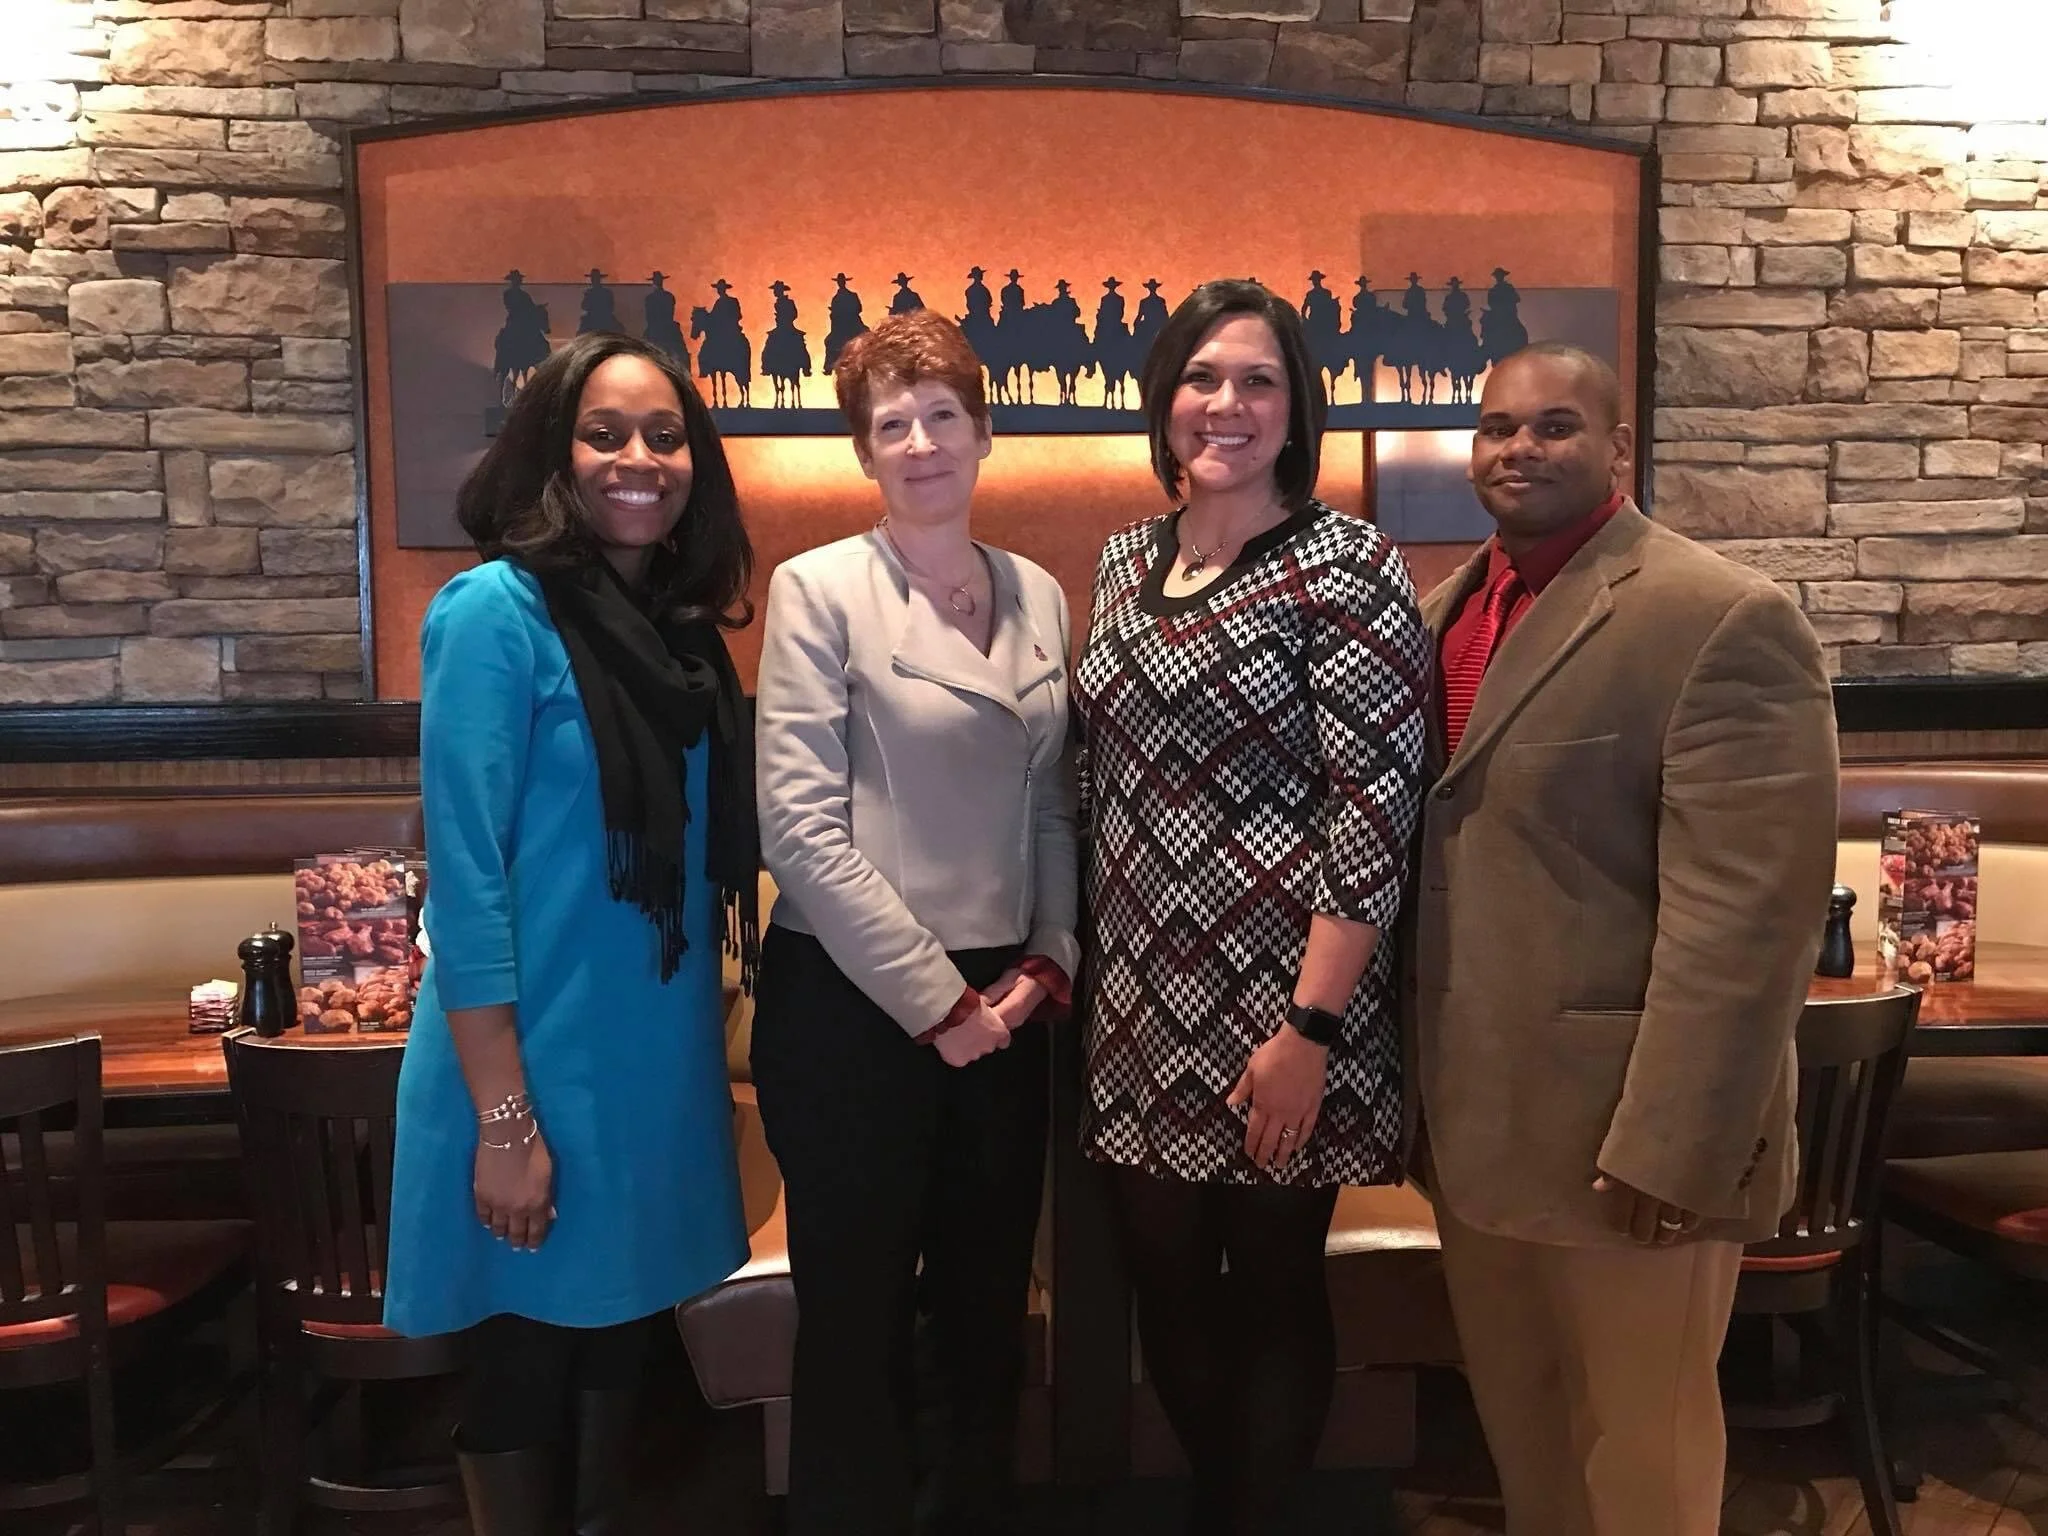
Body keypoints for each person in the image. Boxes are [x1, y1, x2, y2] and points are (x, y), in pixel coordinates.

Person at [1410, 342, 1838, 1536]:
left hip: (1627, 1145)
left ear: (1617, 447)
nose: (1519, 449)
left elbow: (1747, 921)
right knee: (1529, 1444)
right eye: (1497, 428)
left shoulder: (1717, 617)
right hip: (1480, 1130)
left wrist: (1673, 1142)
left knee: (1639, 1462)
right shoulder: (1447, 609)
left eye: (1553, 426)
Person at [383, 331, 758, 1536]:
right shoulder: (493, 612)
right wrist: (505, 1124)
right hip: (528, 1068)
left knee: (619, 1362)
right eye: (605, 434)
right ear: (554, 451)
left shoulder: (685, 639)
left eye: (665, 435)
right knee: (525, 1374)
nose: (638, 459)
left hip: (647, 1066)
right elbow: (469, 883)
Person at [1072, 279, 1429, 1535]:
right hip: (1136, 1004)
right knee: (1164, 1283)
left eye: (1257, 381)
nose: (1225, 404)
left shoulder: (1346, 564)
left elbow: (1373, 808)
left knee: (1273, 1282)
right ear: (1163, 399)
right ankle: (1225, 1502)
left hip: (1283, 1004)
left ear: (1294, 411)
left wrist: (1310, 1033)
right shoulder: (1125, 557)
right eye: (1201, 378)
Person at [751, 308, 1080, 1536]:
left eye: (942, 414)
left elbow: (1053, 799)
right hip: (854, 1005)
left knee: (989, 1307)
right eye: (891, 422)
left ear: (983, 431)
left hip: (1010, 1006)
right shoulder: (817, 590)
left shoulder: (1040, 591)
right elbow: (799, 830)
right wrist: (937, 1001)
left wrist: (1045, 965)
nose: (921, 440)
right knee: (858, 1314)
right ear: (863, 453)